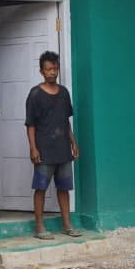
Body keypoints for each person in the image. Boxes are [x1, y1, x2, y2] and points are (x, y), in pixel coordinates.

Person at [24, 50, 81, 239]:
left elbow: (65, 121)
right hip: (44, 151)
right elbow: (30, 125)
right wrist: (33, 148)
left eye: (55, 68)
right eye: (48, 69)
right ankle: (39, 227)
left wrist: (73, 142)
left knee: (64, 189)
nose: (52, 72)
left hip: (63, 149)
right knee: (40, 188)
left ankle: (67, 224)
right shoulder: (35, 94)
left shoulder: (64, 93)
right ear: (42, 71)